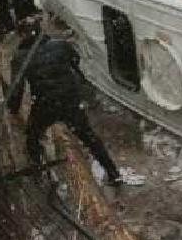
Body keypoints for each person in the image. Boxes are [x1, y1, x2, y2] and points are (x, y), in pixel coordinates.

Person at [8, 17, 122, 186]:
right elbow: (76, 63)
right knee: (89, 137)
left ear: (22, 35)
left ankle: (40, 174)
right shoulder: (60, 45)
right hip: (70, 101)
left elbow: (17, 88)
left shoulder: (20, 57)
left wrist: (13, 108)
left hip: (45, 104)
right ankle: (113, 173)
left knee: (32, 136)